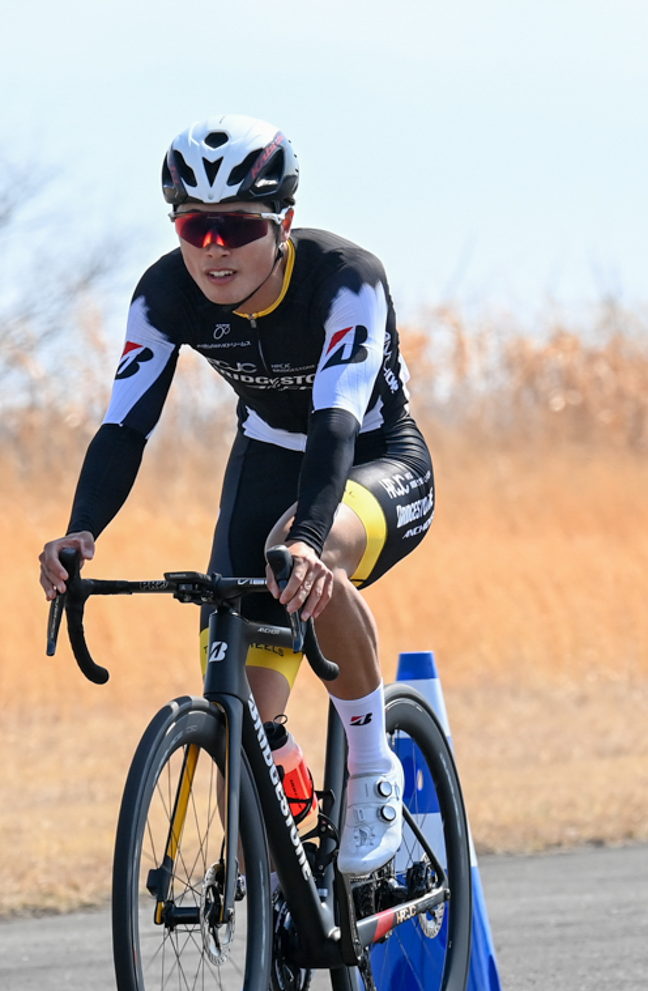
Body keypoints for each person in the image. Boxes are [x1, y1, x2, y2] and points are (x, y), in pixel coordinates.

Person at [38, 116, 434, 913]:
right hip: (264, 457)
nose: (214, 248)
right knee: (244, 719)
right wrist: (82, 530)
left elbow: (335, 425)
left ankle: (368, 763)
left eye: (238, 227)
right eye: (195, 225)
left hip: (370, 455)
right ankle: (279, 913)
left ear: (282, 223)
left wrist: (314, 541)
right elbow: (124, 424)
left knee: (294, 551)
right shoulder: (164, 292)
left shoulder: (346, 279)